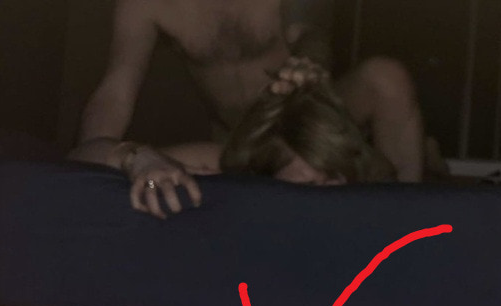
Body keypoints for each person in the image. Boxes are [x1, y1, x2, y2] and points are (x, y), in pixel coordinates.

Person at [68, 0, 428, 218]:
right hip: (241, 140)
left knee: (387, 77)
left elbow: (312, 35)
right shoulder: (145, 5)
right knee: (134, 164)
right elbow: (115, 90)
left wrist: (308, 62)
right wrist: (84, 180)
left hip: (307, 118)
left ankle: (415, 218)